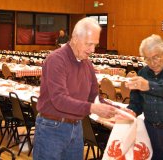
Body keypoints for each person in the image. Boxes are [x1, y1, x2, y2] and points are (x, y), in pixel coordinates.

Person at [33, 17, 117, 160]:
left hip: (76, 127)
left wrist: (118, 111)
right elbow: (59, 99)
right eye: (89, 44)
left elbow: (94, 98)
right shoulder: (56, 60)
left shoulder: (87, 64)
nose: (93, 50)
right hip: (51, 128)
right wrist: (92, 108)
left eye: (95, 44)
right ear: (75, 38)